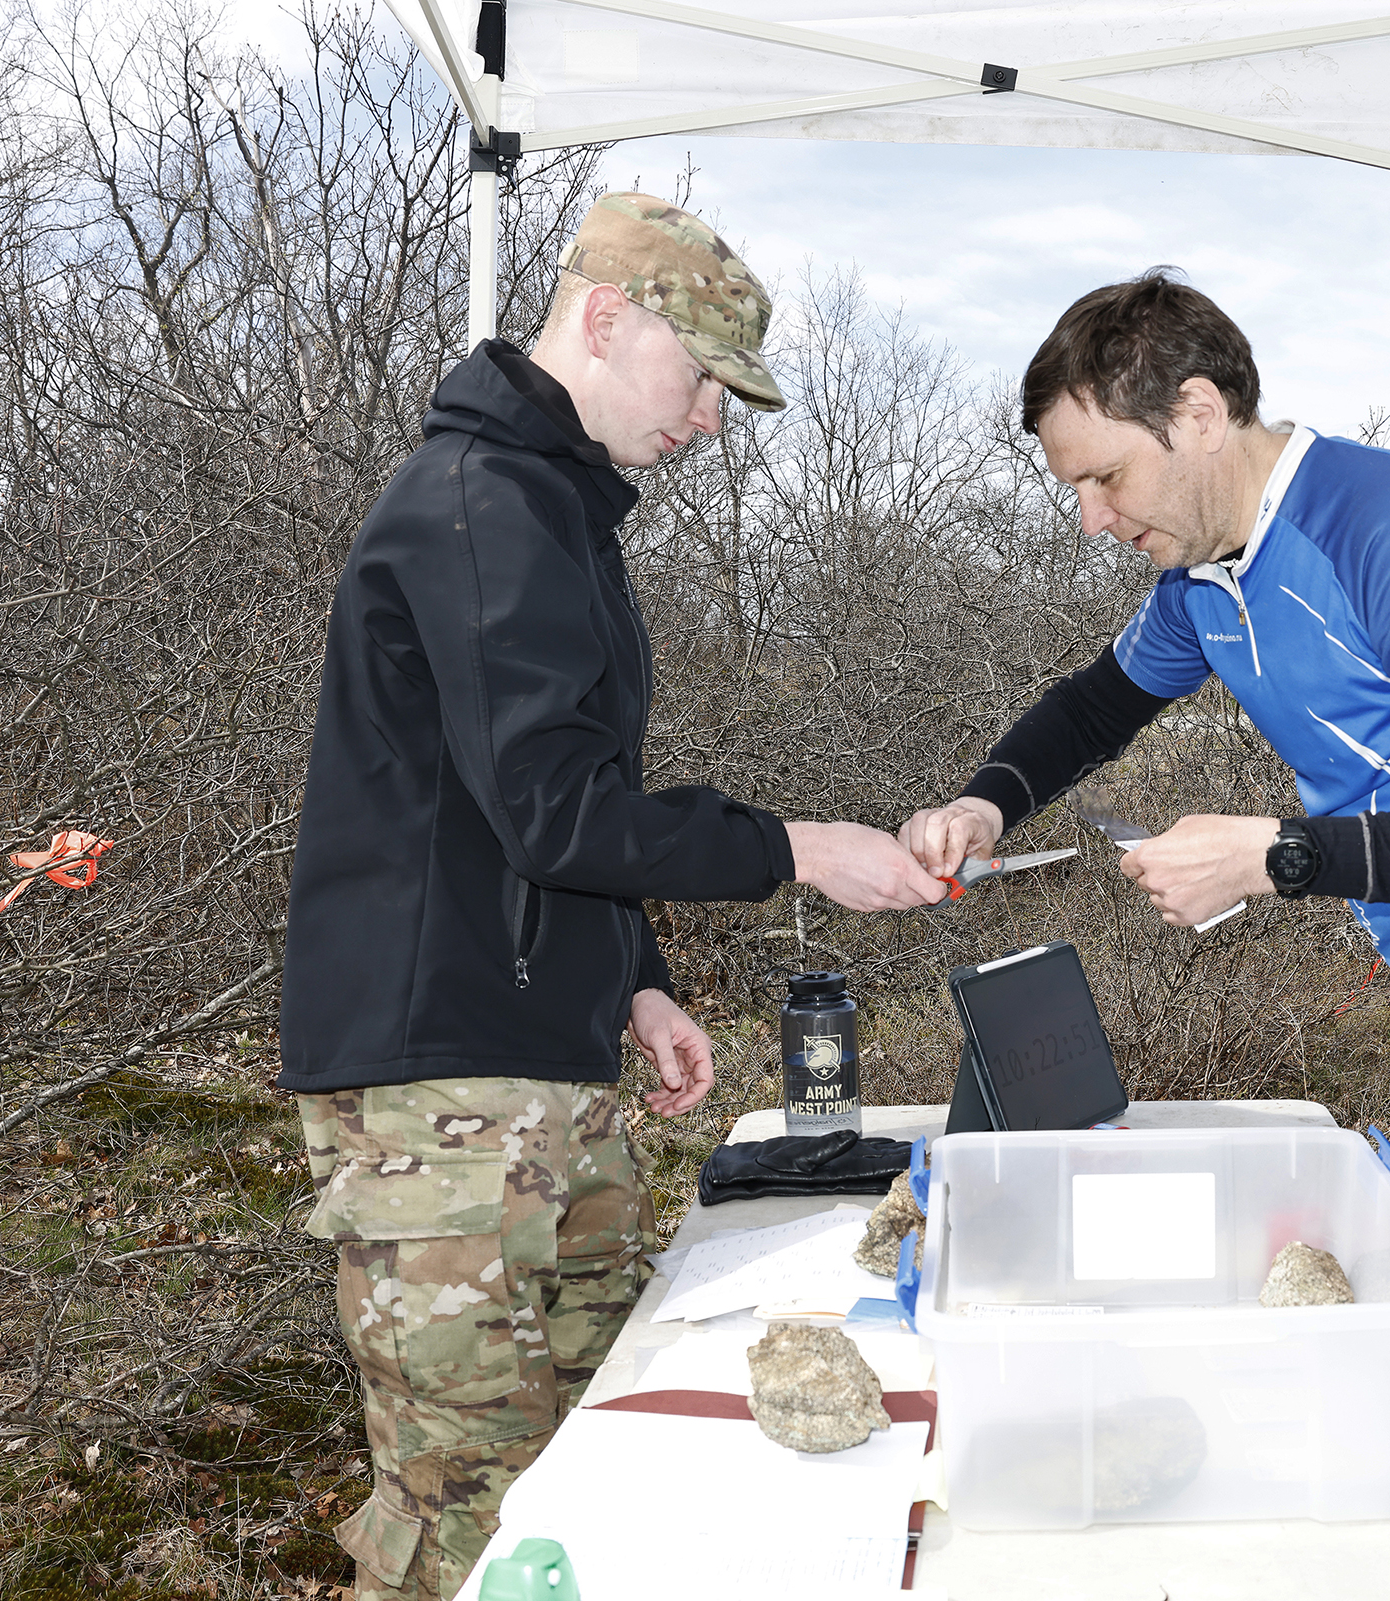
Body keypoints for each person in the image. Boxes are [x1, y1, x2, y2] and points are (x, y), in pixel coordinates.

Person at [901, 270, 1390, 1561]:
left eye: (1106, 478)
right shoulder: (1212, 582)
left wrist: (1274, 856)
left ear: (1200, 412)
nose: (1097, 520)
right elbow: (1095, 707)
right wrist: (989, 801)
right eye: (1077, 493)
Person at [278, 192, 949, 1601]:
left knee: (584, 1495)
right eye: (701, 375)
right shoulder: (477, 503)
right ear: (602, 317)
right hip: (443, 1104)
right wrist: (800, 846)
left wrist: (633, 974)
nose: (710, 418)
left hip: (538, 1076)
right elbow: (553, 812)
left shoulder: (558, 516)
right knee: (476, 1522)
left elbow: (547, 800)